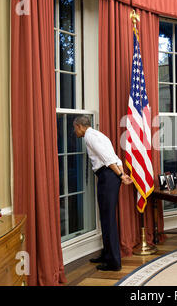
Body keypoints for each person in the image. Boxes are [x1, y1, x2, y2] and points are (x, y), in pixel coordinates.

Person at [73, 115, 132, 271]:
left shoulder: (90, 137)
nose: (75, 131)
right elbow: (114, 157)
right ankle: (107, 254)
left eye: (75, 128)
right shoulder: (99, 135)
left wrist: (120, 175)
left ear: (79, 126)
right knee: (106, 217)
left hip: (108, 176)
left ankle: (113, 262)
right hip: (111, 175)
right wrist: (122, 174)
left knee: (108, 219)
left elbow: (107, 159)